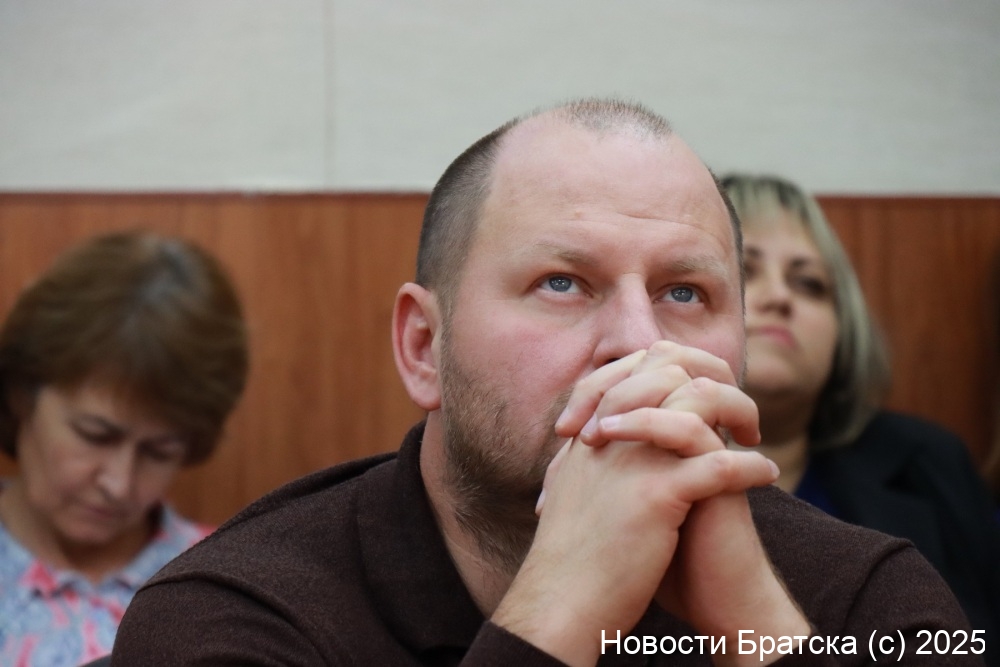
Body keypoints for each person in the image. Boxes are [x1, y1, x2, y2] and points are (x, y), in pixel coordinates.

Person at [113, 100, 979, 666]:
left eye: (685, 292)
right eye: (562, 282)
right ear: (424, 346)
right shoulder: (237, 612)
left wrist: (754, 624)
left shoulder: (865, 594)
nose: (638, 342)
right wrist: (563, 606)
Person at [722, 173, 1000, 661]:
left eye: (809, 284)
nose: (779, 297)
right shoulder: (604, 470)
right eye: (745, 271)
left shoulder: (928, 463)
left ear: (843, 330)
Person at [0, 231, 248, 666]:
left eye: (159, 452)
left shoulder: (228, 583)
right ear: (23, 395)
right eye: (95, 435)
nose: (119, 484)